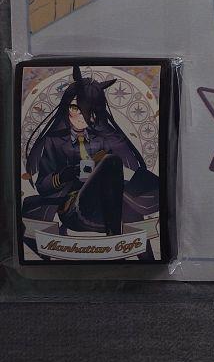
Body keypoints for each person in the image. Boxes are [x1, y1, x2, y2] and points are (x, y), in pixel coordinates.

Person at [21, 66, 159, 257]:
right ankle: (115, 237)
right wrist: (64, 175)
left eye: (89, 110)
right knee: (110, 163)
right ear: (66, 107)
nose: (81, 116)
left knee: (114, 170)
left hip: (111, 207)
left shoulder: (106, 138)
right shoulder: (54, 141)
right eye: (75, 108)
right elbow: (42, 186)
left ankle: (139, 254)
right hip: (74, 208)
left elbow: (132, 170)